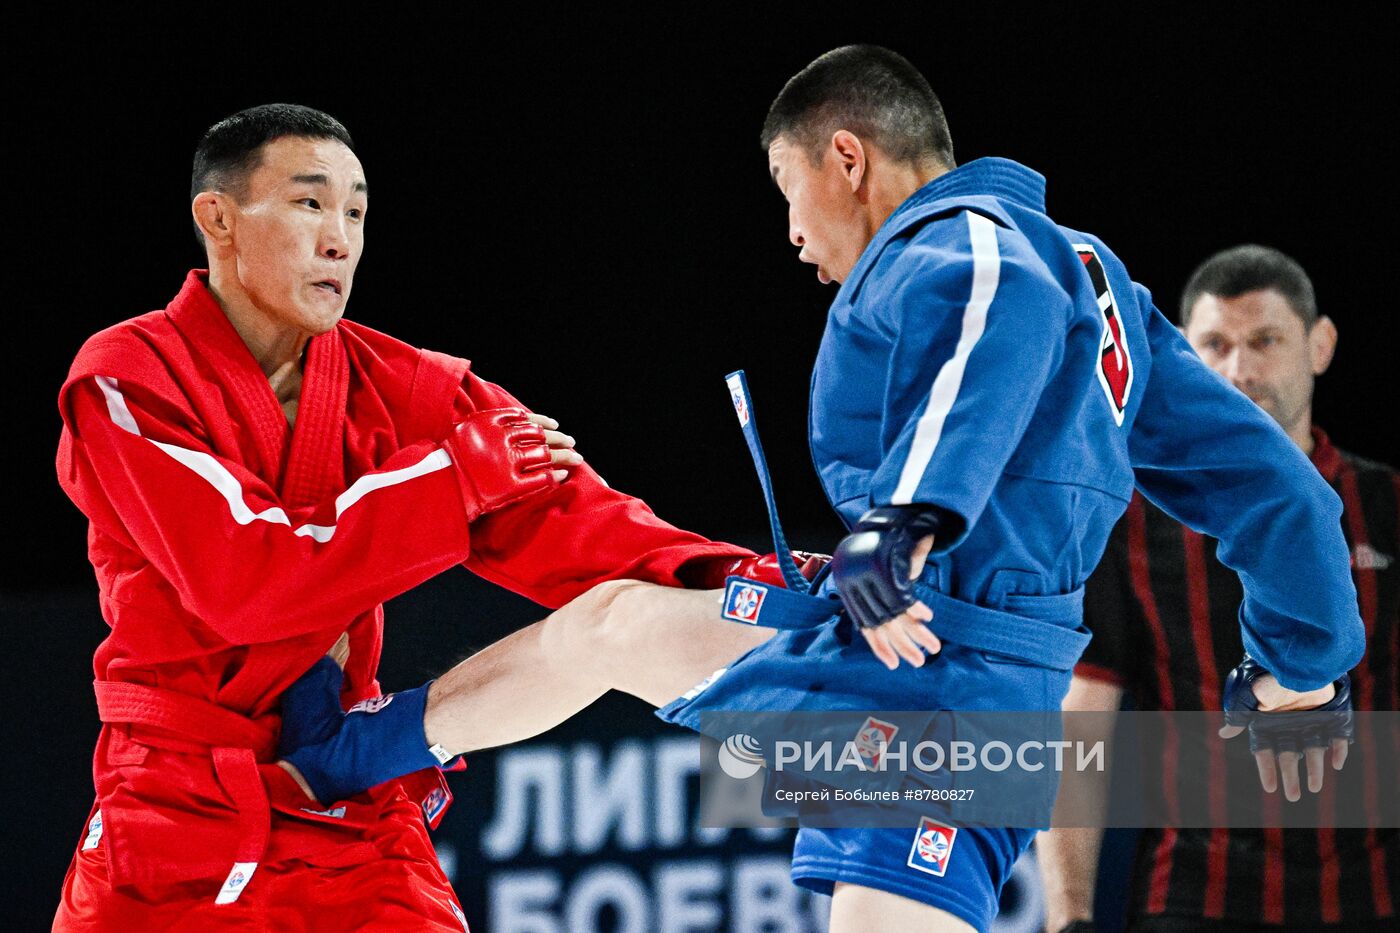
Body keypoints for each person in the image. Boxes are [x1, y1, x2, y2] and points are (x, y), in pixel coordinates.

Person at [278, 48, 1366, 933]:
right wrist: (1301, 671)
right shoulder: (1102, 291)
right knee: (611, 624)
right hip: (904, 647)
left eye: (785, 191)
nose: (792, 234)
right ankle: (353, 756)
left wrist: (904, 521)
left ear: (845, 157)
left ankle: (350, 756)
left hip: (950, 696)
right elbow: (1281, 495)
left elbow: (995, 316)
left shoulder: (977, 246)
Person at [50, 103, 810, 931]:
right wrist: (450, 484)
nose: (340, 237)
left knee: (620, 623)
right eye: (310, 204)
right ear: (218, 217)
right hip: (169, 820)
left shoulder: (409, 391)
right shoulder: (126, 379)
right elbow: (245, 578)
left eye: (356, 211)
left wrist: (741, 573)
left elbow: (583, 525)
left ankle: (924, 760)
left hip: (351, 805)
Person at [1037, 245, 1398, 932]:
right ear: (1179, 359)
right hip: (1196, 893)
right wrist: (1068, 916)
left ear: (1319, 345)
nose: (1239, 369)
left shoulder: (1387, 504)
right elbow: (1080, 727)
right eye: (1214, 345)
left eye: (1265, 341)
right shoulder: (1128, 525)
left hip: (1378, 890)